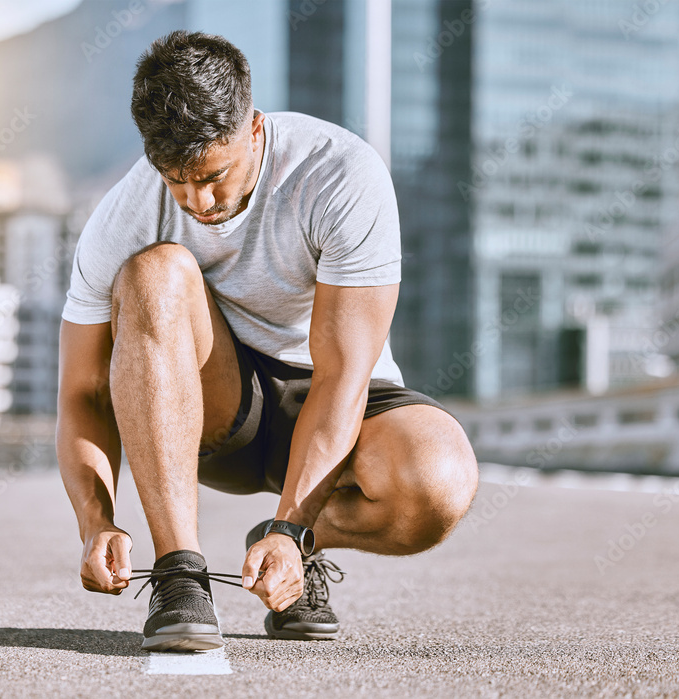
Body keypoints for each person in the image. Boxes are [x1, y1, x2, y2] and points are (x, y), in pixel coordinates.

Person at [56, 30, 478, 652]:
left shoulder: (339, 172)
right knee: (154, 271)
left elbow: (342, 374)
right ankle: (180, 574)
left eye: (212, 176)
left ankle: (294, 545)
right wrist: (96, 521)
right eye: (175, 180)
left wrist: (290, 527)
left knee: (436, 486)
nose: (197, 201)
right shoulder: (123, 217)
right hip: (219, 408)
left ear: (253, 128)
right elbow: (82, 393)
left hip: (334, 398)